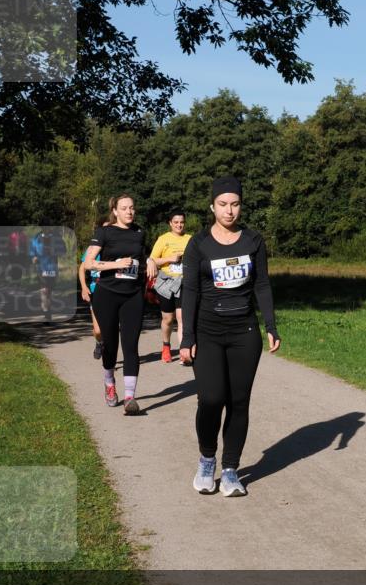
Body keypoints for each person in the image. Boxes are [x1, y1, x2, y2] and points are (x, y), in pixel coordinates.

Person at [180, 176, 280, 497]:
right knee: (211, 398)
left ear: (241, 205)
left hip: (244, 332)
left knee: (239, 402)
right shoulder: (198, 245)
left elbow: (262, 285)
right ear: (212, 206)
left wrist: (271, 325)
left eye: (235, 204)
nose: (229, 210)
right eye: (223, 204)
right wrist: (187, 337)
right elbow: (191, 291)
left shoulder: (253, 241)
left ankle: (231, 468)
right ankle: (207, 459)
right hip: (208, 332)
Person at [84, 194, 157, 414]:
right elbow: (89, 263)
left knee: (131, 344)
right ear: (115, 211)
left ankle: (129, 398)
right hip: (107, 295)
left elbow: (142, 256)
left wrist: (151, 260)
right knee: (110, 344)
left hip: (132, 295)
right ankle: (109, 383)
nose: (129, 212)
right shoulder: (104, 232)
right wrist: (114, 264)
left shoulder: (139, 232)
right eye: (124, 208)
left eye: (132, 208)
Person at [148, 208, 192, 364]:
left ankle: (183, 352)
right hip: (166, 283)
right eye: (176, 222)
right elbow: (152, 260)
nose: (179, 225)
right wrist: (171, 258)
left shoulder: (190, 239)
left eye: (181, 222)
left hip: (184, 282)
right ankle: (166, 346)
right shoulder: (163, 239)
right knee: (168, 318)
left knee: (182, 318)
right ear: (170, 223)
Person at [79, 217, 108, 360]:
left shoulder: (117, 248)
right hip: (95, 289)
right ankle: (99, 342)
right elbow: (82, 268)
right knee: (97, 330)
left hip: (111, 289)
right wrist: (84, 287)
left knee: (110, 328)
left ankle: (110, 357)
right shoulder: (92, 248)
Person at [31, 227, 63, 323]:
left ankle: (47, 310)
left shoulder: (56, 237)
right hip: (41, 268)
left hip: (53, 268)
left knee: (49, 292)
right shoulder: (36, 238)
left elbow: (63, 250)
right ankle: (47, 314)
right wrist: (34, 258)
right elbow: (32, 253)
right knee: (44, 290)